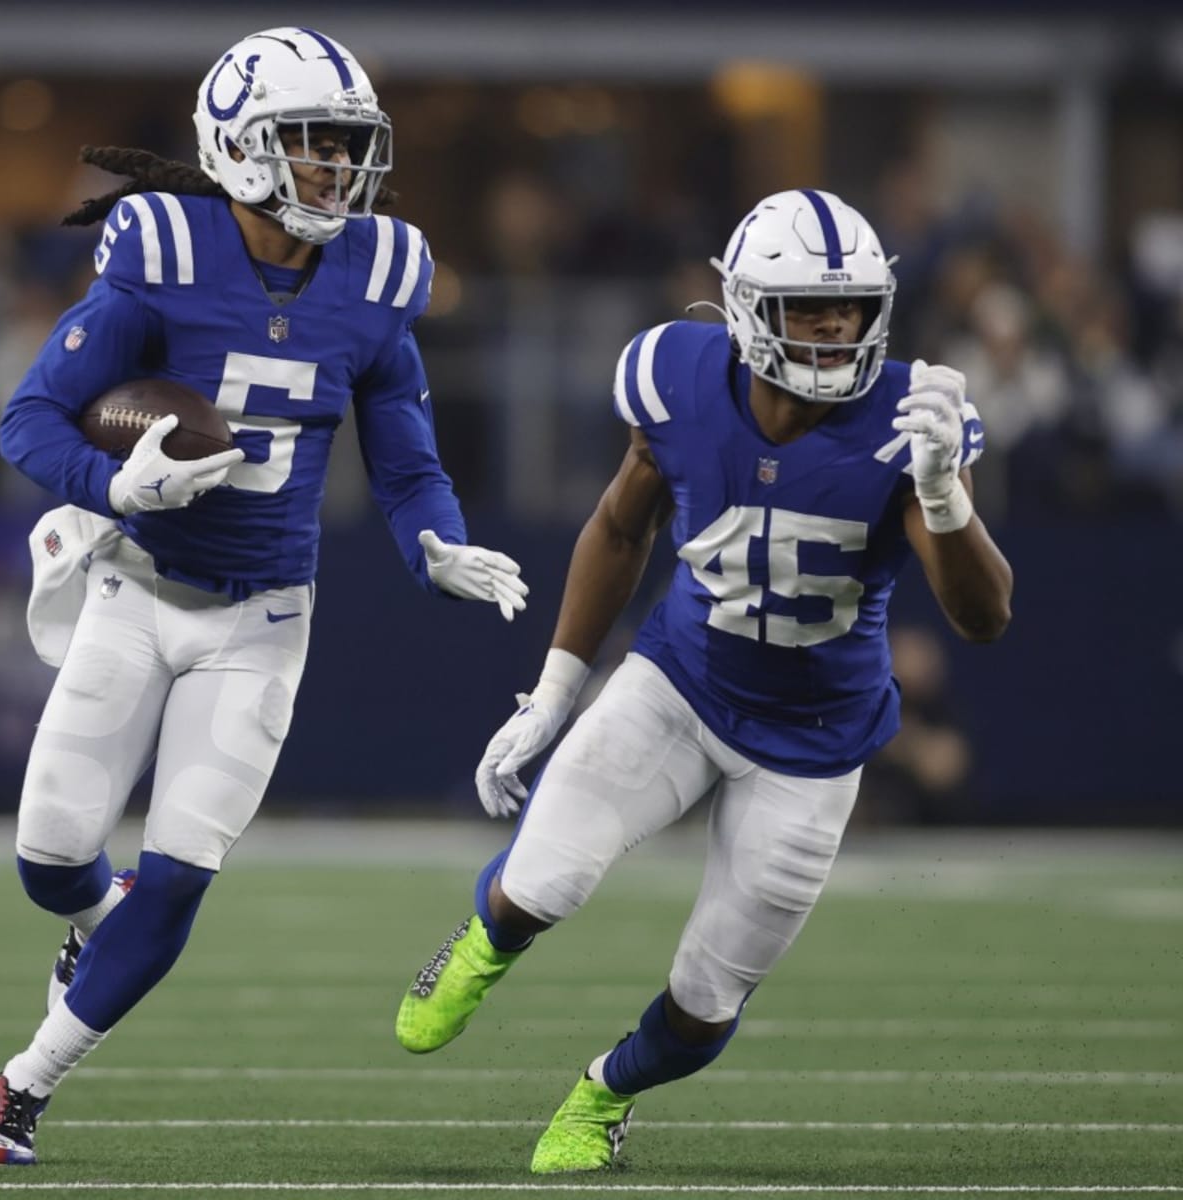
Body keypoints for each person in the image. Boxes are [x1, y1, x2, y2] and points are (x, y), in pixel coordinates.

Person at [0, 27, 527, 1168]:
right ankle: (98, 920)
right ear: (236, 147)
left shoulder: (378, 275)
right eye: (309, 145)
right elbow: (29, 416)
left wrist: (437, 543)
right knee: (48, 861)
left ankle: (22, 1089)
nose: (336, 171)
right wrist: (112, 480)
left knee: (180, 874)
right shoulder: (163, 252)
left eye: (348, 147)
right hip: (136, 590)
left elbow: (407, 452)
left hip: (265, 617)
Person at [394, 188, 1013, 1174]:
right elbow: (616, 525)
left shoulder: (912, 420)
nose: (834, 329)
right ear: (746, 309)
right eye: (809, 308)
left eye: (849, 309)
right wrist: (555, 691)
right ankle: (479, 944)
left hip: (815, 742)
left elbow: (983, 618)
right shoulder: (674, 376)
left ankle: (603, 1094)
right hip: (680, 684)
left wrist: (944, 498)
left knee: (707, 999)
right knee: (540, 880)